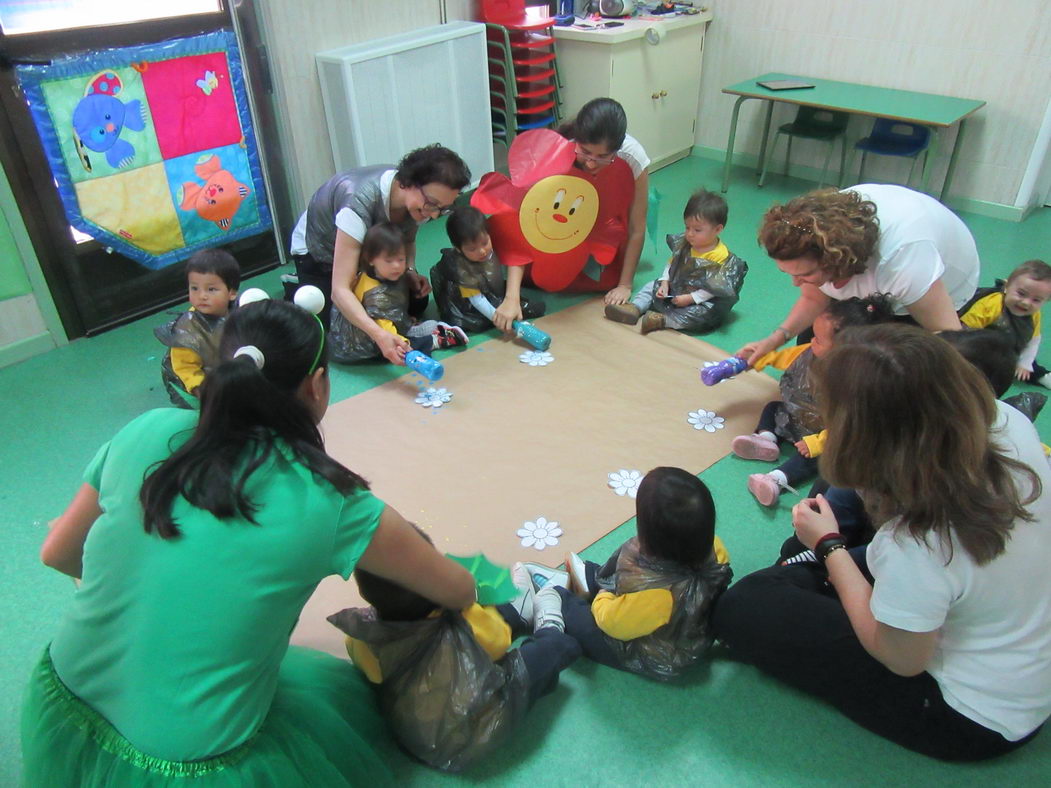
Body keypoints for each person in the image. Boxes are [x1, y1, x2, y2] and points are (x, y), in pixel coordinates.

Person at [23, 299, 477, 786]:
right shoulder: (331, 499)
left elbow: (58, 553)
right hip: (190, 761)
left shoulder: (147, 428)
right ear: (318, 385)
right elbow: (458, 591)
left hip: (62, 703)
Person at [712, 324, 1051, 761]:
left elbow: (901, 659)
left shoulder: (917, 540)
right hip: (1019, 656)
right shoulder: (1008, 423)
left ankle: (816, 563)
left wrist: (830, 546)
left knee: (746, 605)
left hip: (970, 716)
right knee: (804, 574)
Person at [328, 528, 580, 773]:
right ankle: (550, 626)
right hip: (479, 728)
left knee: (478, 623)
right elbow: (500, 641)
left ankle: (518, 610)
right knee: (548, 651)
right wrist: (468, 603)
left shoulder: (360, 639)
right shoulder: (460, 625)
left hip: (419, 740)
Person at [736, 184, 980, 366]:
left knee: (884, 364)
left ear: (836, 260)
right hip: (880, 265)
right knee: (819, 343)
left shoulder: (901, 261)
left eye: (806, 274)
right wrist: (774, 341)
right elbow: (813, 299)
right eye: (787, 273)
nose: (795, 283)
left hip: (943, 281)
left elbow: (947, 338)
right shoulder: (816, 239)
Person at [533, 467, 732, 681]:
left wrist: (604, 596)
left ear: (647, 536)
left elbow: (612, 623)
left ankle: (554, 599)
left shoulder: (656, 597)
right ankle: (592, 578)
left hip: (653, 650)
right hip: (679, 622)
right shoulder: (717, 549)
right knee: (617, 574)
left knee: (578, 616)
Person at [290, 144, 471, 362]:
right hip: (320, 254)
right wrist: (380, 335)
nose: (433, 215)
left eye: (442, 208)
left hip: (371, 256)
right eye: (432, 204)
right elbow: (340, 290)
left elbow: (408, 238)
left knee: (416, 300)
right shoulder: (358, 203)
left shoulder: (419, 203)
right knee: (341, 331)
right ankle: (296, 284)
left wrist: (410, 270)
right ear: (408, 183)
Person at [495, 98, 649, 331]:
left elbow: (637, 227)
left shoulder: (632, 157)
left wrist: (625, 284)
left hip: (603, 216)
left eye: (602, 157)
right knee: (544, 273)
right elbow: (524, 222)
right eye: (585, 152)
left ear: (617, 150)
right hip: (564, 216)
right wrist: (512, 296)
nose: (590, 163)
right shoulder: (557, 151)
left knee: (607, 279)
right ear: (576, 139)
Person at [732, 295, 894, 507]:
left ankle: (777, 479)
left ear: (845, 350)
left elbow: (846, 428)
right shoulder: (809, 352)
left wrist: (816, 443)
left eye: (818, 339)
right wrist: (754, 360)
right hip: (797, 417)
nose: (811, 341)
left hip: (825, 434)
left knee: (822, 457)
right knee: (773, 408)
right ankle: (767, 439)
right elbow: (784, 357)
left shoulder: (856, 384)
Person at [604, 188, 747, 335]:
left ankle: (662, 320)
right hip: (677, 288)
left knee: (700, 315)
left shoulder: (719, 255)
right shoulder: (685, 243)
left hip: (702, 298)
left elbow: (714, 289)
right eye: (687, 227)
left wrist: (691, 298)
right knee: (651, 286)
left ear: (717, 229)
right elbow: (671, 264)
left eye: (697, 230)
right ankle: (635, 307)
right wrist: (665, 283)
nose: (690, 234)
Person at [329, 222, 468, 364]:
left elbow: (393, 307)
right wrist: (403, 343)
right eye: (389, 260)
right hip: (360, 344)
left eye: (401, 259)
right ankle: (435, 340)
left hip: (385, 327)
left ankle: (427, 328)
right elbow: (383, 327)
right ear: (371, 259)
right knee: (403, 350)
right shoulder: (374, 294)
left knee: (420, 321)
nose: (396, 265)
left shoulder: (385, 274)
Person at [430, 204, 545, 334]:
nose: (482, 251)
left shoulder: (493, 245)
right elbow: (477, 300)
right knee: (475, 321)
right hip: (468, 300)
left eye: (485, 243)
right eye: (472, 249)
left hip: (489, 288)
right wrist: (497, 318)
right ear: (458, 249)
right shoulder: (462, 270)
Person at [154, 248, 240, 407]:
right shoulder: (186, 330)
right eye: (194, 288)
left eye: (211, 289)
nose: (202, 296)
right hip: (189, 384)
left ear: (231, 293)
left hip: (222, 369)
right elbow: (186, 370)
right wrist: (205, 393)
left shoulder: (240, 311)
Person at [960, 259, 1051, 387]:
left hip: (1008, 347)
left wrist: (1025, 363)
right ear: (1006, 286)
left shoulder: (1034, 314)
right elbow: (963, 332)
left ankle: (1039, 375)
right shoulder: (990, 305)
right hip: (978, 343)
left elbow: (1033, 340)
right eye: (1021, 293)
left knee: (1026, 363)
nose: (1026, 302)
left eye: (1036, 300)